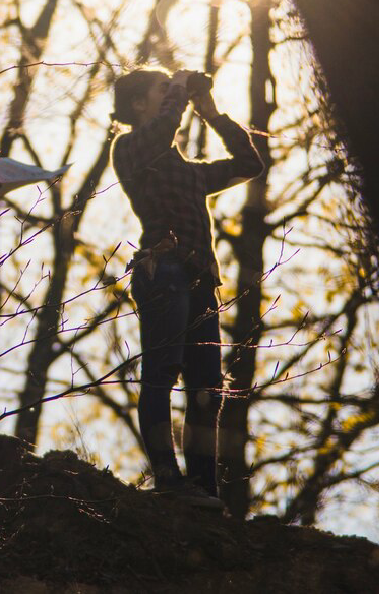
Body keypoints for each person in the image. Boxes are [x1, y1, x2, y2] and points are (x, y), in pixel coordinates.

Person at [111, 68, 263, 507]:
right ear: (139, 104)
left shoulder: (193, 174)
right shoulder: (131, 149)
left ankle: (202, 489)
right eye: (163, 90)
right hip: (163, 271)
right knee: (160, 374)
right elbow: (161, 134)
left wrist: (211, 112)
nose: (173, 96)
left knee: (206, 387)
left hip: (200, 281)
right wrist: (179, 89)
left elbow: (250, 165)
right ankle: (167, 479)